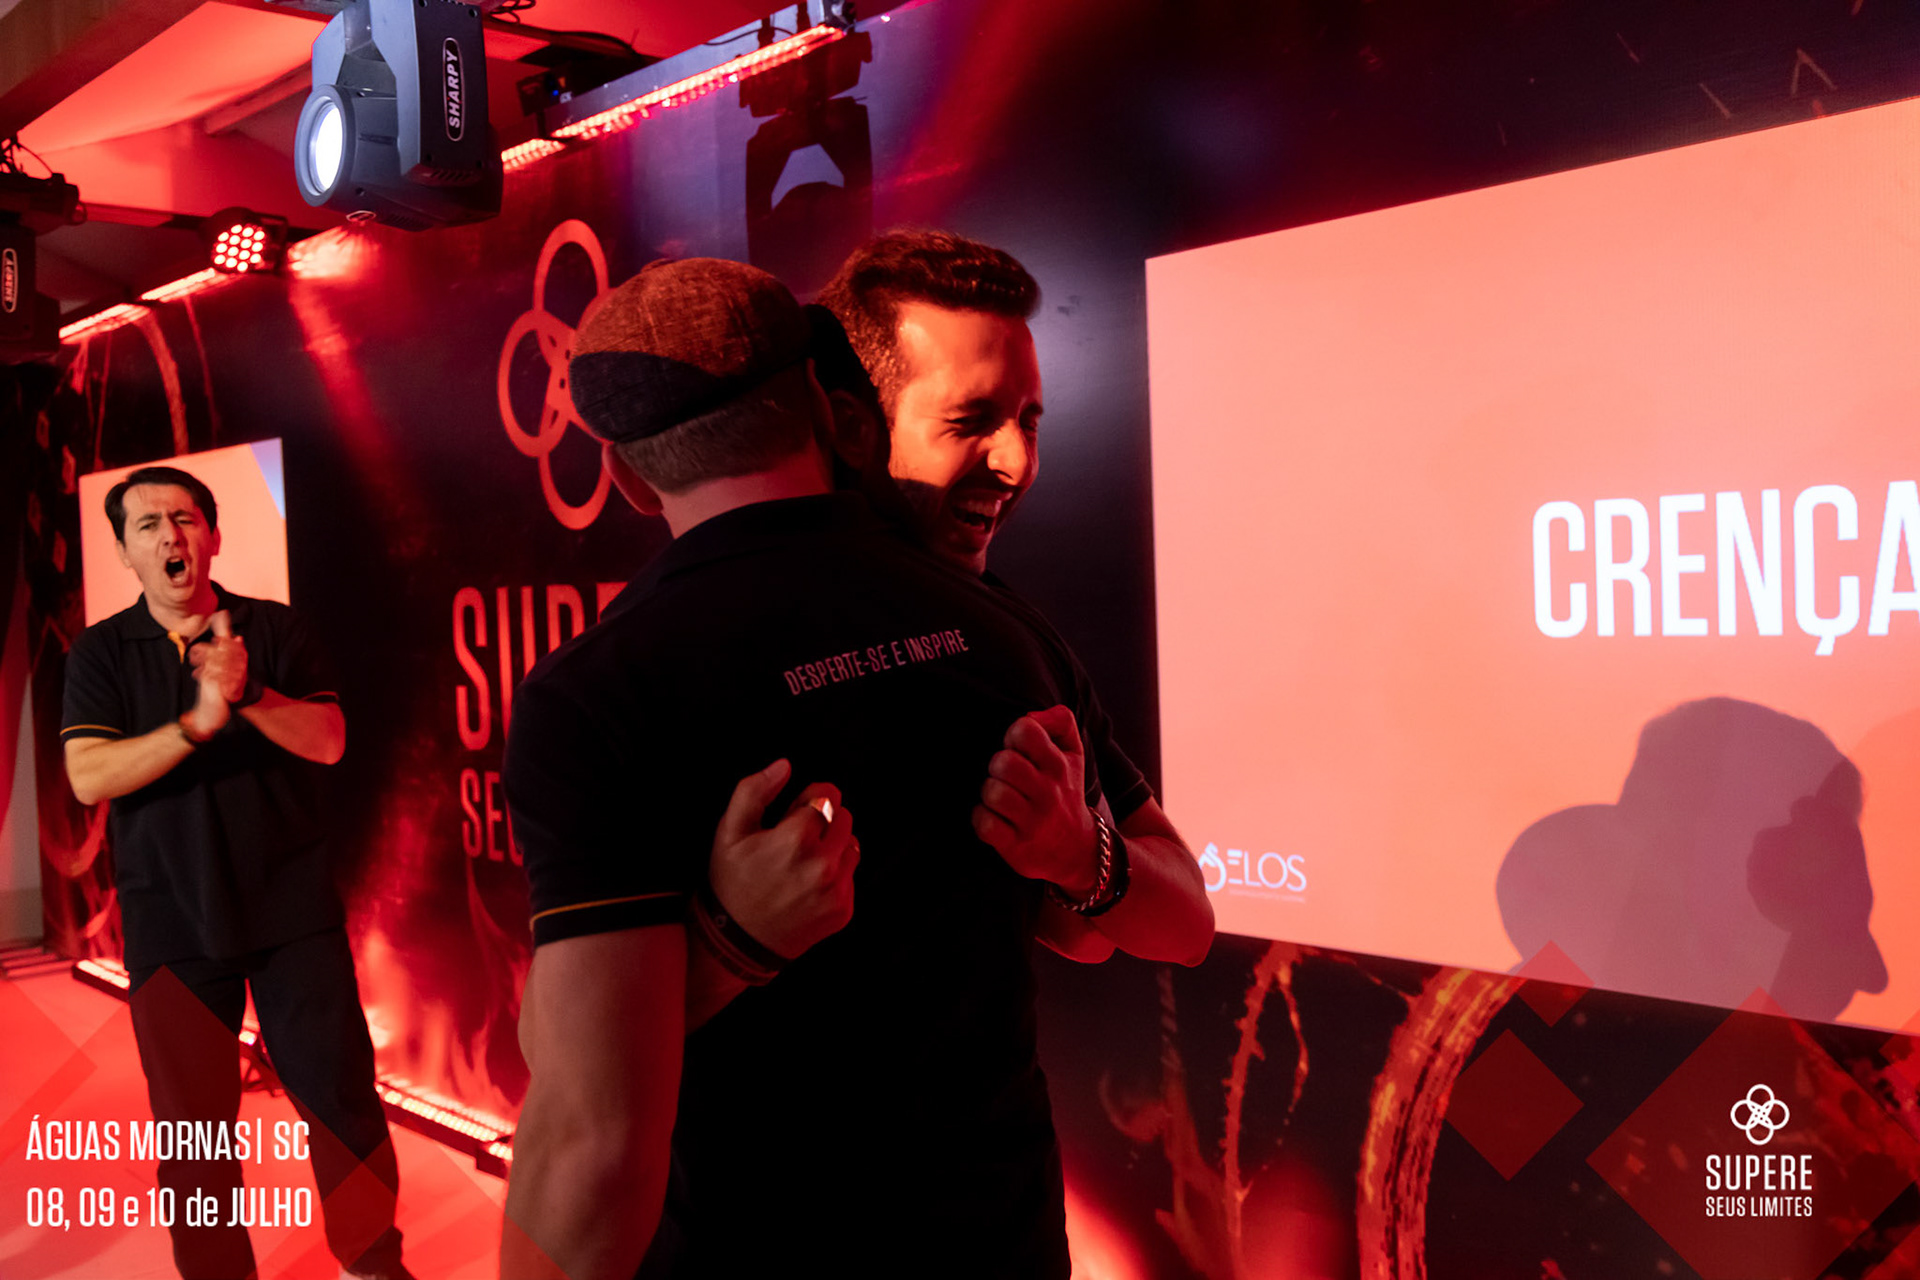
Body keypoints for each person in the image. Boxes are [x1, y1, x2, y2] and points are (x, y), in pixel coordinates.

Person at [501, 258, 1179, 1280]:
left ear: (630, 478)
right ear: (826, 408)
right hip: (1007, 1247)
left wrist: (728, 943)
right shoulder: (999, 627)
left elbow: (593, 1144)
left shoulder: (598, 693)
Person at [61, 465, 408, 1280]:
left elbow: (329, 740)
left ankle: (373, 1263)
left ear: (213, 537)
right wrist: (196, 725)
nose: (170, 536)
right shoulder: (101, 652)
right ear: (126, 551)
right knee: (192, 1132)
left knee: (341, 1104)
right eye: (147, 525)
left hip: (294, 916)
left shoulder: (273, 629)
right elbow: (88, 776)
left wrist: (246, 693)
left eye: (184, 519)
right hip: (170, 920)